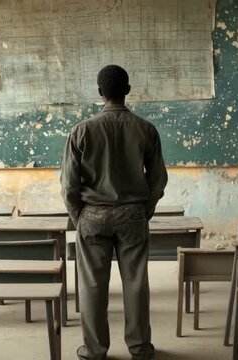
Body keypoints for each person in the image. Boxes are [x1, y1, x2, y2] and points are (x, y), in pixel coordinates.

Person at [60, 64, 168, 360]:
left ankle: (94, 350)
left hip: (93, 215)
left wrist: (79, 216)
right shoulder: (146, 129)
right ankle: (140, 348)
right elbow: (157, 181)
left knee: (93, 285)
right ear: (128, 91)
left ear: (99, 93)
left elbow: (68, 185)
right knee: (136, 282)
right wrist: (143, 211)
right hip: (133, 213)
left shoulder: (81, 130)